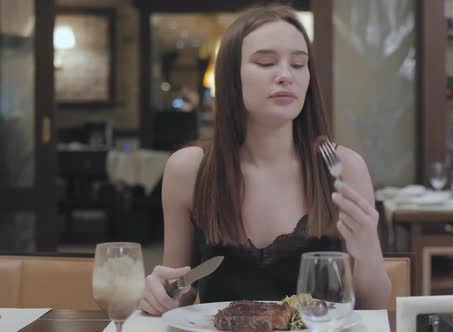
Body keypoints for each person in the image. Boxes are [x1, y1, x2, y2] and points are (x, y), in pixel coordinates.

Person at [140, 4, 392, 316]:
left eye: (299, 64)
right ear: (232, 77)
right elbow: (180, 293)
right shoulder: (189, 169)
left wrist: (367, 248)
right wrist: (161, 292)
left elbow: (374, 306)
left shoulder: (343, 168)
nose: (286, 75)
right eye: (265, 62)